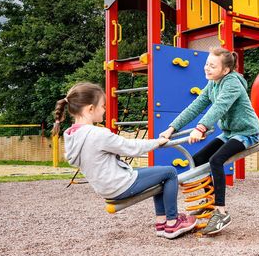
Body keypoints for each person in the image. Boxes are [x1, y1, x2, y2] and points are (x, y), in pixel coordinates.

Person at [53, 82, 197, 240]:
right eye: (103, 105)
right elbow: (130, 147)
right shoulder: (96, 134)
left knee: (160, 174)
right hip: (119, 184)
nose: (105, 109)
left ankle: (162, 223)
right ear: (90, 109)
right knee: (170, 173)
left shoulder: (71, 135)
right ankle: (172, 222)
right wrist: (157, 142)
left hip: (105, 186)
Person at [160, 47, 259, 235]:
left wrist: (201, 128)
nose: (207, 68)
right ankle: (208, 205)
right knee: (197, 159)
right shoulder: (213, 83)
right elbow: (195, 106)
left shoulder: (232, 84)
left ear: (225, 70)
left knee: (216, 160)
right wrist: (171, 128)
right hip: (229, 133)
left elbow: (220, 107)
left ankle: (221, 212)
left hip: (246, 133)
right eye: (207, 64)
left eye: (212, 66)